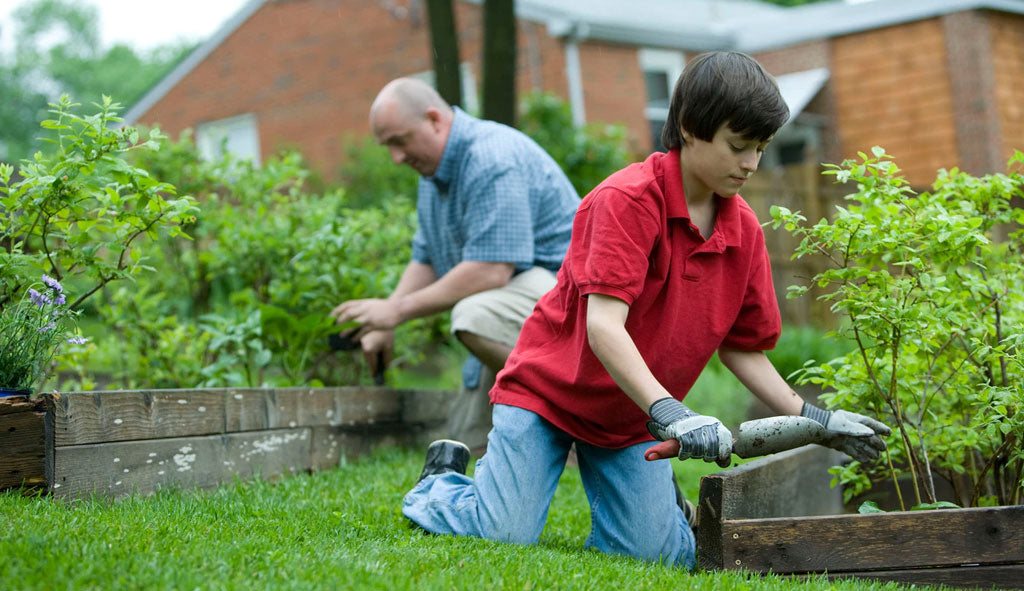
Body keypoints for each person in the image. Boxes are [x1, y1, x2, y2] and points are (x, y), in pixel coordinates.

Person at [400, 51, 892, 569]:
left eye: (761, 149)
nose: (751, 164)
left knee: (655, 556)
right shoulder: (626, 201)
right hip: (547, 396)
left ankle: (660, 512)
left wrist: (820, 421)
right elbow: (604, 327)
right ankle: (442, 483)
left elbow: (743, 351)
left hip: (632, 416)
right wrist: (675, 413)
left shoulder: (743, 231)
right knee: (502, 532)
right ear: (688, 127)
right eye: (738, 146)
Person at [330, 78, 581, 453]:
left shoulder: (490, 157)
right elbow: (427, 257)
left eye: (399, 141)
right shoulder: (433, 175)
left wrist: (396, 311)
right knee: (464, 443)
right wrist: (383, 321)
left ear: (434, 119)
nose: (396, 158)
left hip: (572, 306)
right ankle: (540, 430)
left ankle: (576, 418)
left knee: (474, 315)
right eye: (388, 147)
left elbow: (491, 270)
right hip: (518, 308)